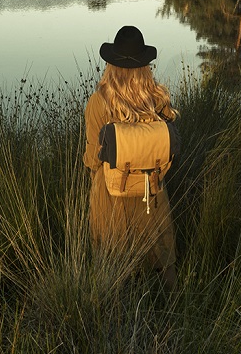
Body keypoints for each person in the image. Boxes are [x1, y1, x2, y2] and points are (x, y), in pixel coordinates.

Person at [83, 25, 178, 288]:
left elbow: (92, 158)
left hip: (110, 193)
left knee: (112, 258)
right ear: (145, 65)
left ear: (111, 63)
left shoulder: (98, 102)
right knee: (161, 255)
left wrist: (97, 180)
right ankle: (175, 310)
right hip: (152, 189)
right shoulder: (157, 98)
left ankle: (115, 315)